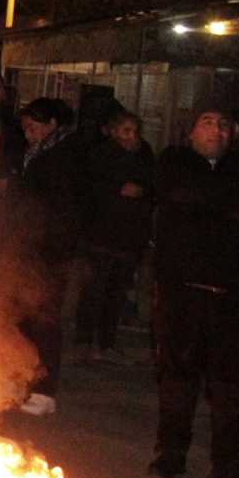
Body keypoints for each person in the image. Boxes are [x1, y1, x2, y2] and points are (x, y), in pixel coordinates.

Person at [149, 105, 239, 478]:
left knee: (232, 387)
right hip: (180, 295)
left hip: (233, 297)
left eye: (223, 125)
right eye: (207, 122)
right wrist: (227, 205)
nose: (216, 130)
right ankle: (171, 451)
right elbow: (176, 194)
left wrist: (213, 204)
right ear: (191, 132)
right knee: (176, 380)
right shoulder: (174, 160)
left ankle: (228, 464)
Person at [13, 98, 84, 416]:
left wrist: (50, 244)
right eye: (26, 127)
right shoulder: (35, 154)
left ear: (54, 124)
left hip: (50, 251)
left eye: (35, 126)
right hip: (29, 246)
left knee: (44, 318)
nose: (30, 132)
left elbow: (65, 209)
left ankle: (43, 389)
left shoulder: (65, 157)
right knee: (24, 317)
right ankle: (24, 381)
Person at [74, 109, 155, 363]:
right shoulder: (101, 154)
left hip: (129, 237)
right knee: (93, 291)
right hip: (101, 236)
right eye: (126, 131)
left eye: (135, 131)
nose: (132, 137)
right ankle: (85, 341)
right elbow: (90, 189)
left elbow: (153, 185)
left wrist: (142, 193)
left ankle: (107, 342)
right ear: (114, 131)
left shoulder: (144, 154)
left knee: (116, 293)